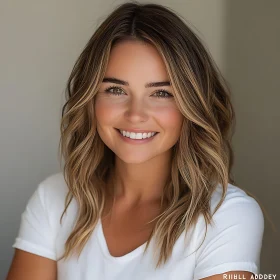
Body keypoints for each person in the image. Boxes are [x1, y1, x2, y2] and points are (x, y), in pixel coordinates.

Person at [6, 2, 265, 280]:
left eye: (162, 93)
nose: (136, 114)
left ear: (192, 104)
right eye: (116, 89)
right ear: (90, 98)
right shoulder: (55, 199)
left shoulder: (227, 216)